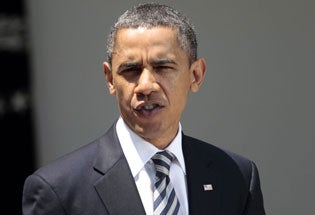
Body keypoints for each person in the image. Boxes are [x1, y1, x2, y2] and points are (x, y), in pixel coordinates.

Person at [22, 3, 265, 215]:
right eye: (130, 70)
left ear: (196, 75)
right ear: (110, 79)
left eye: (163, 67)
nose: (146, 86)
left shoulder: (236, 177)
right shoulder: (59, 190)